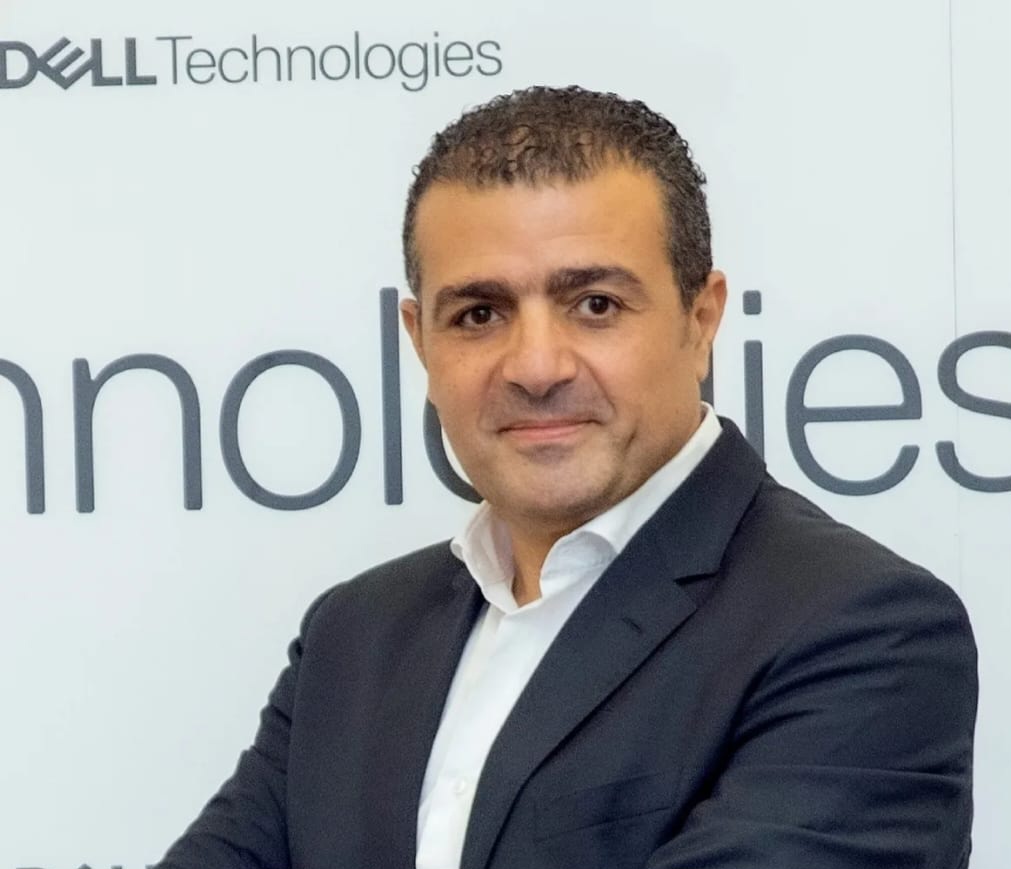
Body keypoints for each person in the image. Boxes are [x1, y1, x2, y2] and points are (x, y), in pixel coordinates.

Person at [157, 86, 977, 869]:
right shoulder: (355, 635)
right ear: (419, 341)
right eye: (479, 314)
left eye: (594, 304)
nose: (536, 366)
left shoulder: (861, 630)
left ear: (700, 320)